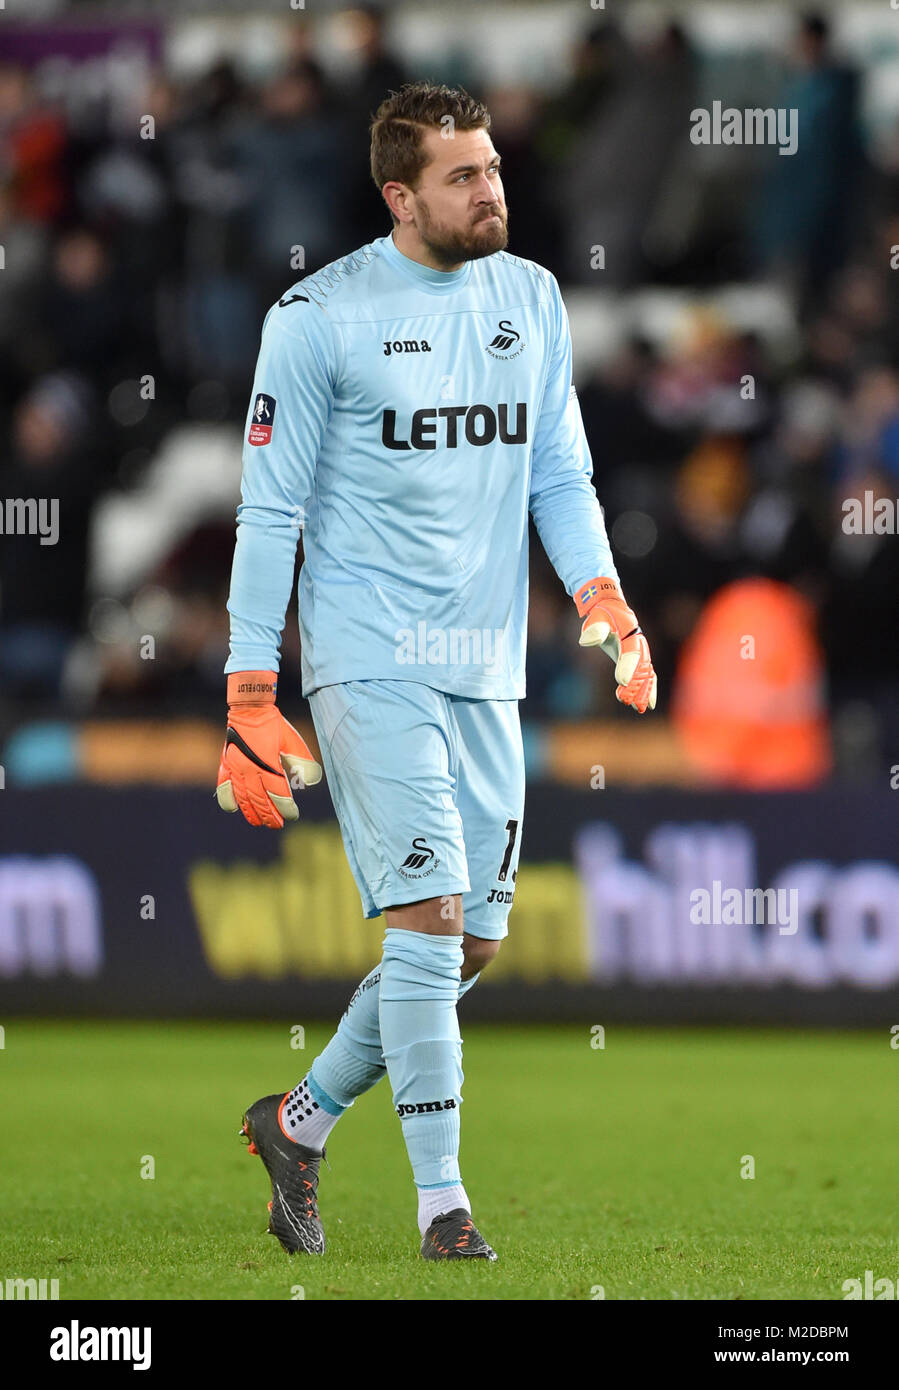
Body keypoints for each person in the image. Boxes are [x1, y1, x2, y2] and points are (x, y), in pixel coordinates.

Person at [216, 81, 656, 1262]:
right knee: (428, 915)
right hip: (367, 657)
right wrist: (248, 690)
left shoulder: (530, 299)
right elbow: (269, 515)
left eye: (495, 168)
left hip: (485, 666)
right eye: (463, 177)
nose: (491, 191)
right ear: (398, 196)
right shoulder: (318, 317)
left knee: (468, 947)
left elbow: (557, 475)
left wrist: (601, 594)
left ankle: (296, 1122)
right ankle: (442, 1208)